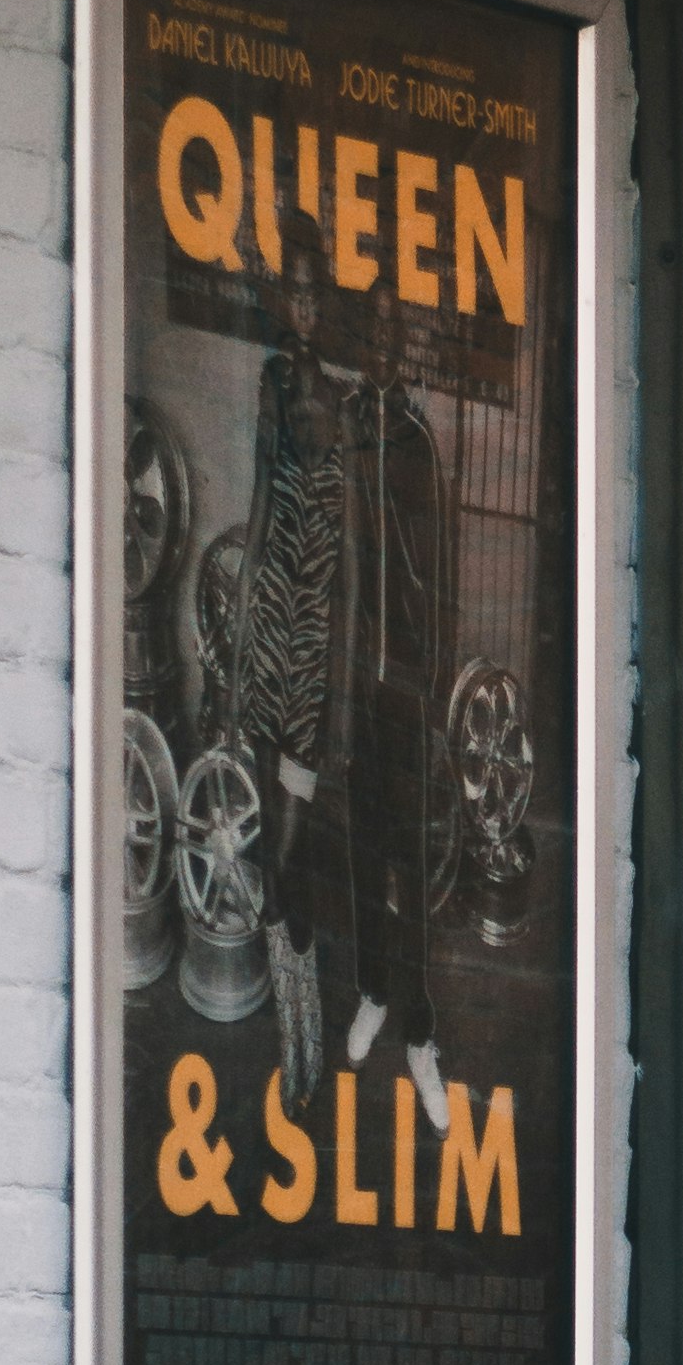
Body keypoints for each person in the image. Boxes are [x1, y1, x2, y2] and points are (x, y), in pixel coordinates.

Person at [227, 214, 346, 1111]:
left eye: (314, 291)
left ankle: (300, 1020)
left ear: (325, 303)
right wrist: (238, 623)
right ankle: (294, 1041)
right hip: (273, 621)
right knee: (274, 831)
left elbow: (341, 543)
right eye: (292, 290)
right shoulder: (273, 383)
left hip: (317, 637)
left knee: (294, 840)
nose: (303, 305)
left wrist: (335, 659)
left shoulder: (338, 399)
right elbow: (265, 500)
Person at [342, 284, 451, 1127]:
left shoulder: (417, 441)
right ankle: (374, 990)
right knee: (361, 846)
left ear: (407, 348)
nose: (383, 343)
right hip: (356, 685)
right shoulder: (344, 426)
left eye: (395, 331)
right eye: (373, 329)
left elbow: (441, 577)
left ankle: (420, 1033)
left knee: (410, 870)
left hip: (410, 692)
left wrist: (436, 684)